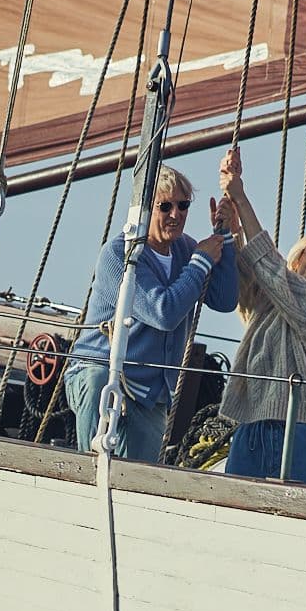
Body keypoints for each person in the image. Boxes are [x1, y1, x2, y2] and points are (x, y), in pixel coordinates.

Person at [64, 165, 237, 461]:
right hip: (102, 376)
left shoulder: (185, 250)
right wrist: (200, 262)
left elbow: (224, 299)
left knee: (141, 479)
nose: (176, 214)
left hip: (148, 394)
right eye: (165, 206)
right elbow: (164, 312)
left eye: (182, 206)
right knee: (97, 383)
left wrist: (225, 237)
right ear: (144, 208)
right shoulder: (120, 254)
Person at [212, 146, 306, 487]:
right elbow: (246, 274)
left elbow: (268, 267)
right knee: (235, 521)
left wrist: (241, 198)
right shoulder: (270, 300)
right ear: (297, 258)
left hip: (301, 428)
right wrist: (229, 230)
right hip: (252, 425)